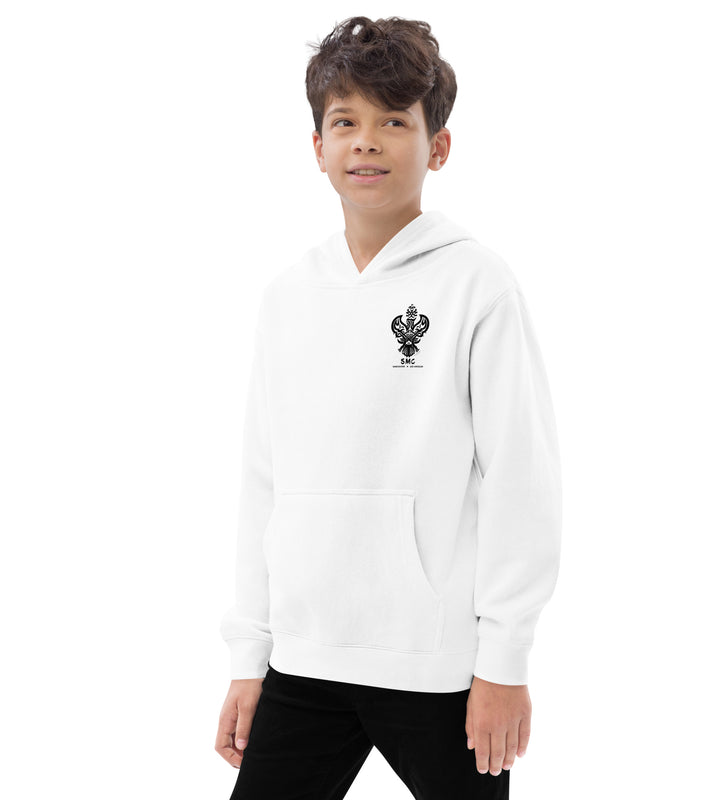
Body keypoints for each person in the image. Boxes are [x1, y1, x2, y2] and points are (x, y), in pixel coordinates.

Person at [214, 15, 562, 799]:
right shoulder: (286, 297)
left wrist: (503, 662)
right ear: (318, 147)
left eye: (394, 122)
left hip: (437, 669)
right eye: (345, 122)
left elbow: (521, 479)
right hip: (303, 661)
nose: (366, 142)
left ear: (439, 146)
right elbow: (263, 483)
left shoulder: (476, 285)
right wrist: (249, 656)